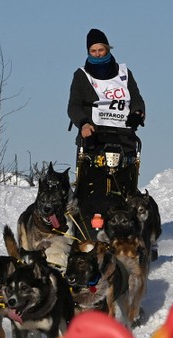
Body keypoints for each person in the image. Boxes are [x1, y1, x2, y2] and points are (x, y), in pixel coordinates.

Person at [67, 28, 146, 233]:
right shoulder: (81, 75)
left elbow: (136, 98)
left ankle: (133, 225)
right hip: (93, 136)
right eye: (93, 50)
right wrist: (83, 123)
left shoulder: (123, 73)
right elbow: (73, 106)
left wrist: (138, 112)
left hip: (123, 135)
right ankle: (84, 227)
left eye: (101, 49)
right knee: (90, 185)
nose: (97, 54)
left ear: (107, 48)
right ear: (88, 52)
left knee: (125, 184)